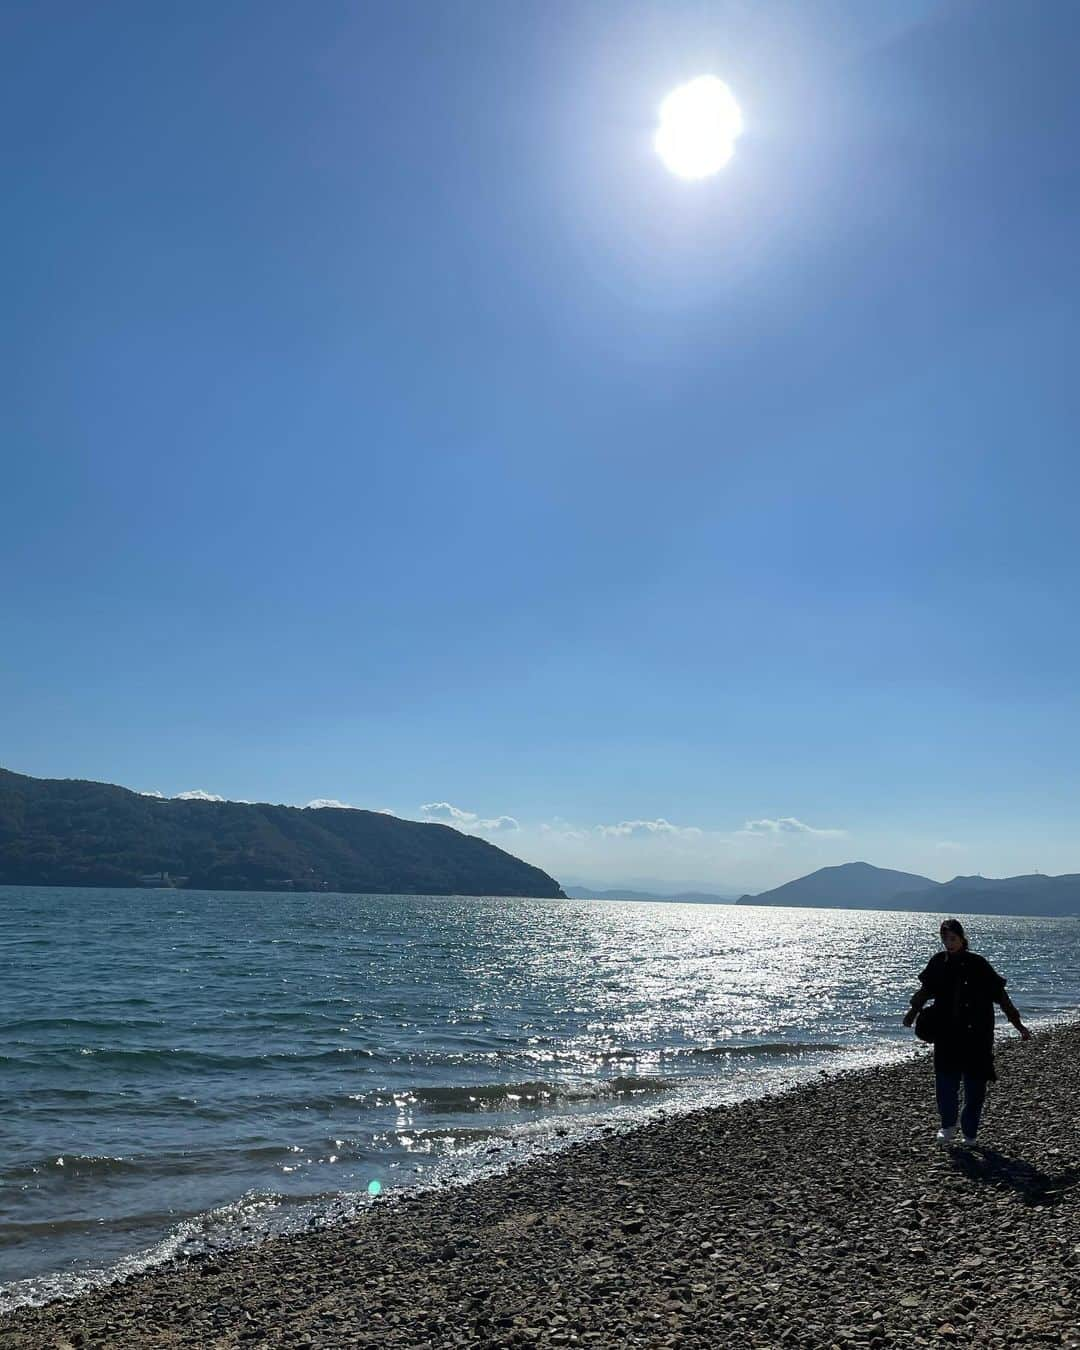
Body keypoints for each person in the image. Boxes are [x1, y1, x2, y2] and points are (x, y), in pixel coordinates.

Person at [902, 918, 1031, 1145]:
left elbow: (1001, 996)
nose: (948, 943)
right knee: (945, 1083)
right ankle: (948, 1127)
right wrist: (912, 1014)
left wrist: (1018, 1025)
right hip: (947, 1034)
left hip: (977, 1035)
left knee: (975, 1087)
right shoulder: (938, 963)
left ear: (962, 938)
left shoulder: (978, 964)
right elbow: (925, 991)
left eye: (952, 939)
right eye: (945, 939)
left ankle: (970, 1133)